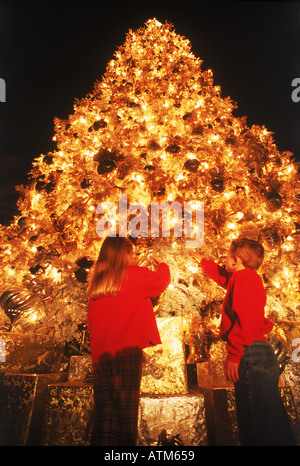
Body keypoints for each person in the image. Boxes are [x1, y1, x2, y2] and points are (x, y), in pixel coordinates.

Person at [191, 237, 297, 446]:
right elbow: (224, 279)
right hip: (257, 351)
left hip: (250, 354)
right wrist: (203, 262)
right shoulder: (245, 278)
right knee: (271, 420)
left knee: (256, 425)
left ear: (236, 260)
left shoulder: (243, 280)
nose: (224, 259)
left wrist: (234, 354)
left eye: (228, 255)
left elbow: (245, 319)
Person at [87, 236, 170, 446]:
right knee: (125, 414)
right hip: (127, 353)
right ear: (125, 253)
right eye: (131, 253)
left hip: (101, 356)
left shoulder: (98, 280)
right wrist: (161, 263)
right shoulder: (134, 275)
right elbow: (161, 282)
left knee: (104, 413)